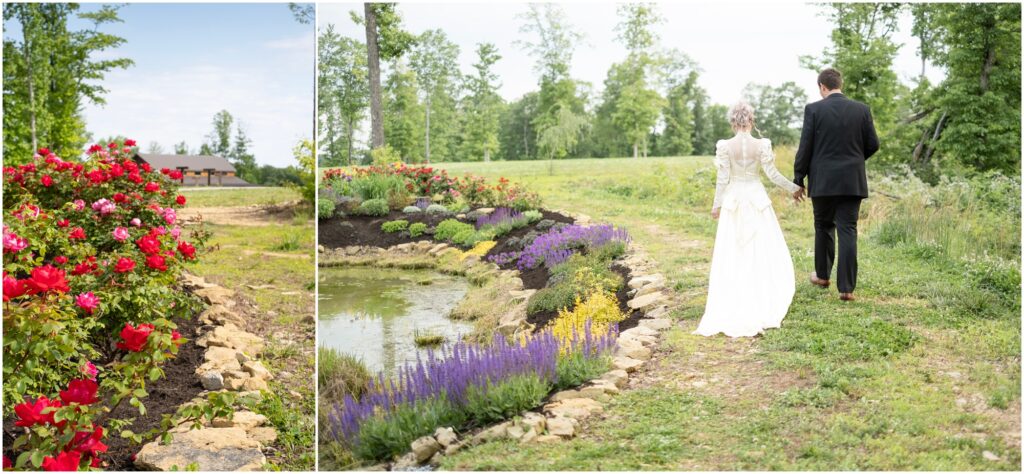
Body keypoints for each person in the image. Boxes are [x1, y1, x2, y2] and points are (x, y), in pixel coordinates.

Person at [695, 101, 802, 337]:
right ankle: (760, 291)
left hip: (734, 200)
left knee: (734, 248)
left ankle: (735, 293)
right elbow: (772, 175)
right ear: (751, 120)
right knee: (760, 246)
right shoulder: (761, 144)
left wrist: (717, 205)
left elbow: (723, 178)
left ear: (733, 122)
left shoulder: (725, 146)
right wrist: (794, 187)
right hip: (756, 199)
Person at [793, 68, 880, 302]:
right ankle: (847, 289)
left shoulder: (813, 109)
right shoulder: (861, 110)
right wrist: (853, 160)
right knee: (848, 230)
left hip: (822, 180)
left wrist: (799, 177)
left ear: (822, 86)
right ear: (840, 84)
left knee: (823, 226)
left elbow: (806, 146)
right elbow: (873, 144)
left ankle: (822, 276)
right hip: (852, 180)